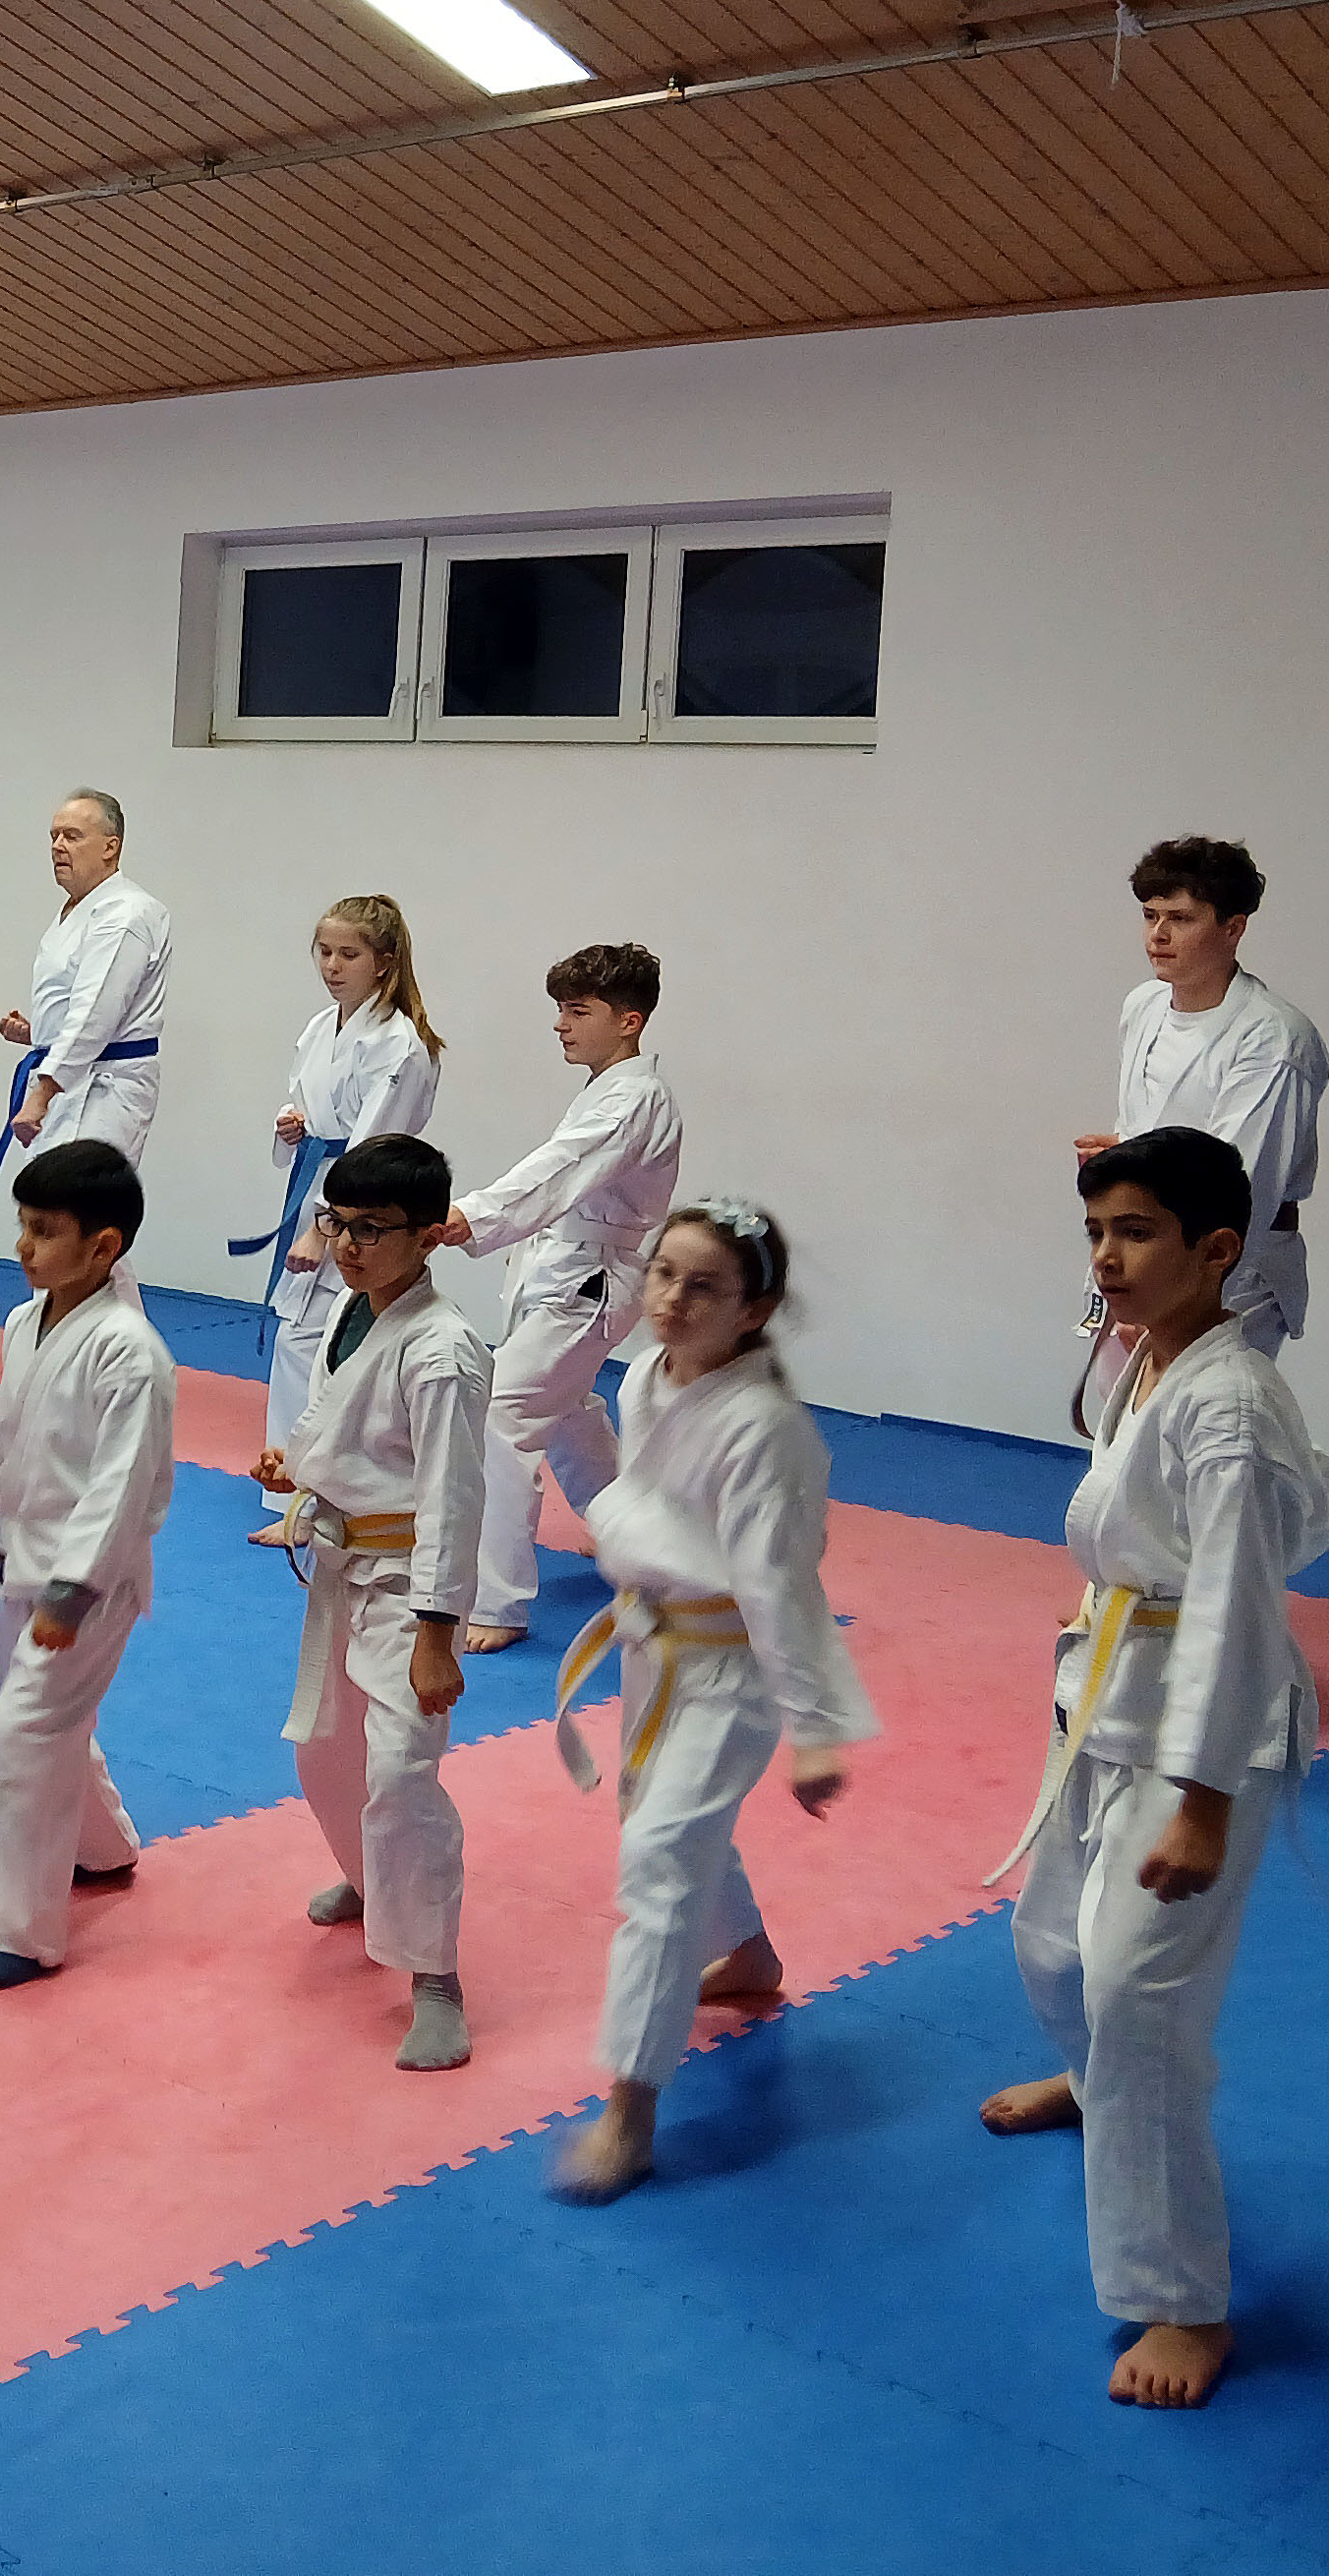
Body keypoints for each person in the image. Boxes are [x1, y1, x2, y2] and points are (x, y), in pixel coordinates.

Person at [982, 1127, 1329, 2412]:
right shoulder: (1151, 1357)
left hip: (1203, 1732)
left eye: (1135, 1231)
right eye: (1096, 1231)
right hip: (1104, 1691)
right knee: (1049, 1948)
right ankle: (1098, 2092)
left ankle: (1181, 2298)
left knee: (1138, 1997)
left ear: (1217, 1248)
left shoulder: (1230, 1399)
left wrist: (1201, 1802)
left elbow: (1240, 1604)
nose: (1107, 1256)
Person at [548, 1201, 881, 2200]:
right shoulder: (648, 1377)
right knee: (661, 1819)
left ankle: (630, 2113)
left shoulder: (766, 1430)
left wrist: (814, 1731)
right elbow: (652, 1503)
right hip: (656, 1648)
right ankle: (748, 1955)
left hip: (734, 1669)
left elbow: (780, 1585)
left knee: (659, 1860)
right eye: (664, 1274)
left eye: (705, 1287)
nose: (674, 1300)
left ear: (755, 1310)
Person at [250, 1133, 488, 2067]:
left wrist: (438, 1635)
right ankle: (368, 1878)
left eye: (373, 1229)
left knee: (400, 1772)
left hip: (408, 1586)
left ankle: (436, 1978)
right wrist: (304, 1471)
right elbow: (358, 1435)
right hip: (341, 1566)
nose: (348, 1245)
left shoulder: (444, 1351)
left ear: (428, 1237)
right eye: (337, 1222)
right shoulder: (356, 1310)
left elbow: (452, 1501)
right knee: (324, 1754)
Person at [0, 1139, 176, 1988]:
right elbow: (15, 1434)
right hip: (22, 1559)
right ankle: (103, 1848)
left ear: (103, 1246)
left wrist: (74, 1591)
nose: (24, 1245)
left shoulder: (130, 1350)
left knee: (26, 1731)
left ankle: (20, 1934)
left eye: (44, 1231)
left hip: (90, 1582)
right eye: (23, 1225)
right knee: (48, 1720)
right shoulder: (25, 1322)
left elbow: (123, 1485)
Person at [433, 943, 681, 1654]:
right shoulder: (609, 1089)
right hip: (567, 1274)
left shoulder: (634, 1098)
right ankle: (644, 1547)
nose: (560, 1024)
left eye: (578, 1011)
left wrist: (472, 1213)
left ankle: (498, 1601)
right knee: (567, 1417)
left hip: (589, 1282)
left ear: (629, 1021)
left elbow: (559, 1168)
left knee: (499, 1415)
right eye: (560, 1010)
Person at [1075, 837, 1328, 1357]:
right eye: (1150, 916)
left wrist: (1173, 1306)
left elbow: (1244, 1189)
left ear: (1233, 927)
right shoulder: (1143, 1006)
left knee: (1212, 1404)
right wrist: (1121, 1158)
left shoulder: (1273, 1038)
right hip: (1139, 1252)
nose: (1159, 934)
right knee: (1121, 1407)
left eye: (1181, 919)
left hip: (1226, 1278)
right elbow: (1150, 1127)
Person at [239, 895, 444, 1442]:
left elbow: (371, 1149)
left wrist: (323, 1227)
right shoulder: (320, 1027)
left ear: (384, 961)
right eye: (325, 952)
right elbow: (312, 1106)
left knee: (317, 1339)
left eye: (349, 954)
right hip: (321, 1186)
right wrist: (292, 1125)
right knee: (303, 1336)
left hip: (365, 1212)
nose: (332, 966)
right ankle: (292, 1467)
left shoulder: (399, 1044)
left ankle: (305, 1469)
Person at [0, 790, 168, 1185]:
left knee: (81, 1206)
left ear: (110, 847)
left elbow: (96, 1013)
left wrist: (41, 1095)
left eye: (72, 836)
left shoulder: (125, 913)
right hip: (70, 1076)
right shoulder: (79, 908)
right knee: (52, 1202)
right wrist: (39, 1032)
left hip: (104, 1087)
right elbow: (82, 1005)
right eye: (54, 836)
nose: (57, 846)